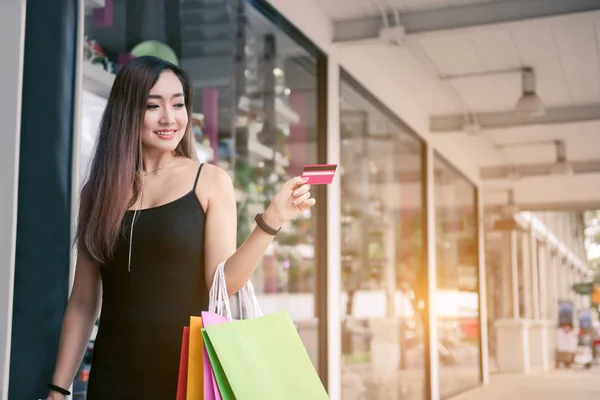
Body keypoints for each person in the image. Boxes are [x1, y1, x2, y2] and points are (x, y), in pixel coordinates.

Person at [44, 55, 315, 400]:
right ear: (128, 112)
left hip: (190, 378)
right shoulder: (98, 193)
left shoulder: (210, 181)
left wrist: (272, 220)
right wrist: (58, 389)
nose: (169, 118)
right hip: (114, 377)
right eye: (152, 106)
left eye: (179, 104)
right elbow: (83, 301)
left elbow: (223, 283)